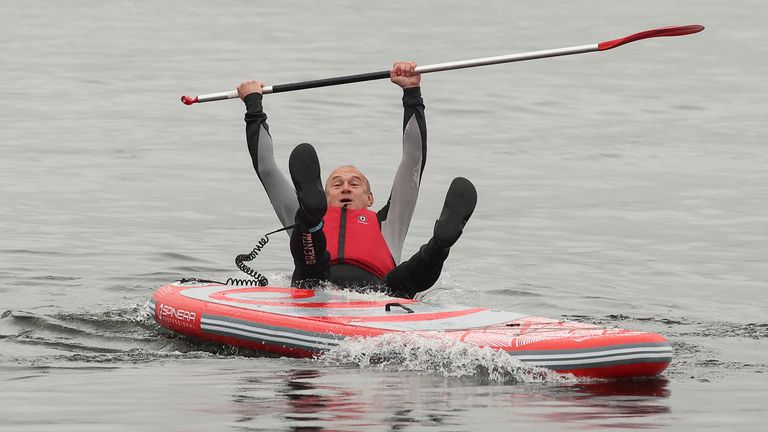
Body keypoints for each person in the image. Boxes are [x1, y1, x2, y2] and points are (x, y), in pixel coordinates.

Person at [237, 62, 476, 298]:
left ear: (370, 198)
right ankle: (311, 213)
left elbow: (413, 159)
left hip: (381, 292)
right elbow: (267, 170)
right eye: (337, 183)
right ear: (325, 195)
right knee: (308, 241)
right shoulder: (300, 216)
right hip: (315, 281)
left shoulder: (389, 222)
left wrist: (411, 92)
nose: (346, 188)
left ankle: (441, 243)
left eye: (355, 183)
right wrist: (253, 105)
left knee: (404, 278)